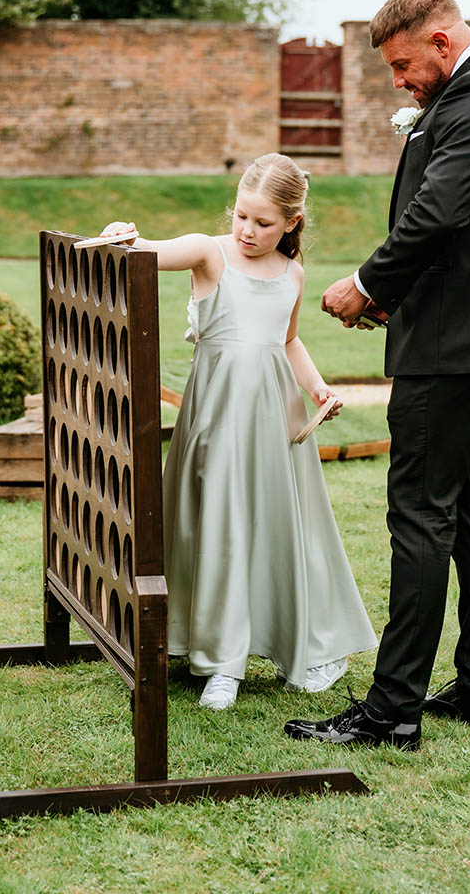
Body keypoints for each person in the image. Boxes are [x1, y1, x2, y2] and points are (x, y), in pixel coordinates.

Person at [284, 0, 470, 750]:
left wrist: (368, 283)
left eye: (405, 65)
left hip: (455, 343)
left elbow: (438, 210)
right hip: (465, 331)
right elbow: (458, 224)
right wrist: (393, 295)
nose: (399, 83)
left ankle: (391, 710)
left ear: (442, 42)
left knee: (420, 513)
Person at [98, 153, 377, 710]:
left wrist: (317, 389)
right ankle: (219, 660)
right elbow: (147, 252)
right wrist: (123, 237)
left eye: (264, 223)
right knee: (216, 525)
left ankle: (278, 641)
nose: (248, 231)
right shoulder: (211, 253)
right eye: (242, 217)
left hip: (274, 421)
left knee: (272, 528)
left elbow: (288, 340)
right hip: (218, 419)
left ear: (292, 223)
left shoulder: (293, 274)